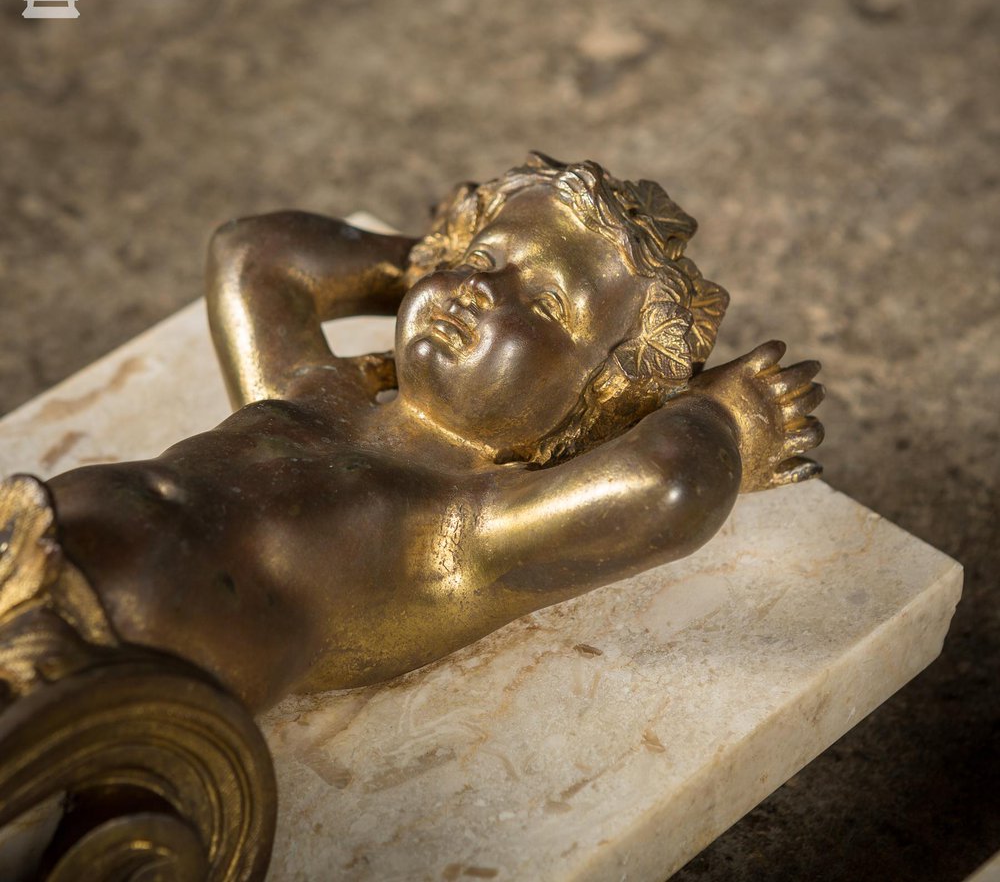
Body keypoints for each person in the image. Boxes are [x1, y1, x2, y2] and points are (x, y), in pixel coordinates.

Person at [1, 154, 823, 714]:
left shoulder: (465, 520)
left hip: (127, 646)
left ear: (595, 396)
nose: (481, 294)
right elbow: (252, 253)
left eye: (541, 307)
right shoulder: (314, 389)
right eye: (488, 260)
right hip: (25, 536)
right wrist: (429, 262)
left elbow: (669, 487)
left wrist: (717, 416)